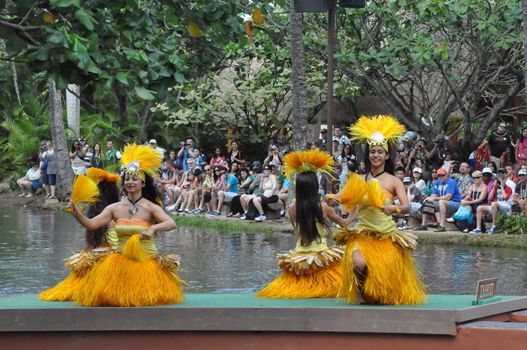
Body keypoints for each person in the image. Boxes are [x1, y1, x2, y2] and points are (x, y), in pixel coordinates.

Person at [64, 144, 183, 306]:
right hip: (119, 262)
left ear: (142, 183)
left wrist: (153, 228)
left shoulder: (150, 207)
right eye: (127, 179)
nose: (130, 182)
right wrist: (76, 213)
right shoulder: (115, 208)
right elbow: (92, 224)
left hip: (146, 262)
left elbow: (171, 223)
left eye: (134, 179)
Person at [335, 115, 426, 305]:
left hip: (385, 236)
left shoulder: (394, 181)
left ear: (386, 155)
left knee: (383, 281)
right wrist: (333, 199)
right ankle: (360, 291)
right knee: (359, 264)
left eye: (379, 152)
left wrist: (394, 208)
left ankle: (376, 292)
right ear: (368, 155)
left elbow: (407, 207)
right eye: (372, 152)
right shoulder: (359, 179)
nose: (375, 155)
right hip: (362, 234)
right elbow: (342, 198)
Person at [256, 149, 350, 298]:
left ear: (298, 188)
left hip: (300, 258)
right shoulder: (324, 208)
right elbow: (344, 223)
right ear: (315, 187)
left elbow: (298, 228)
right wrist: (355, 211)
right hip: (320, 258)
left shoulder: (292, 210)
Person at [40, 168, 121, 301]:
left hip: (96, 256)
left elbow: (90, 224)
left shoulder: (95, 214)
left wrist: (77, 213)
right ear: (115, 195)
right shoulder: (115, 215)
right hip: (112, 261)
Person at [417, 168, 461, 232]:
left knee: (441, 202)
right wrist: (430, 198)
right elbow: (434, 194)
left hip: (455, 203)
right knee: (427, 202)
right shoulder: (437, 182)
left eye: (442, 175)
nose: (440, 177)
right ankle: (424, 225)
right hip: (443, 202)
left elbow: (448, 197)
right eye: (439, 176)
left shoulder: (451, 182)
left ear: (446, 175)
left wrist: (434, 198)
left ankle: (442, 226)